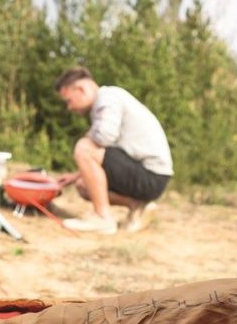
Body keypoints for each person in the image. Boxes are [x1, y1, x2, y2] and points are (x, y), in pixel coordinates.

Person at [54, 67, 173, 235]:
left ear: (80, 89)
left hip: (151, 175)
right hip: (150, 175)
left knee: (84, 146)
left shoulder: (107, 98)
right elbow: (106, 155)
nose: (69, 107)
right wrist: (75, 176)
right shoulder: (105, 102)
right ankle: (137, 206)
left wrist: (87, 140)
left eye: (69, 100)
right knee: (83, 185)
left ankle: (102, 218)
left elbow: (103, 138)